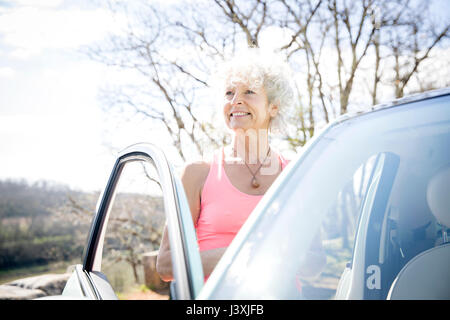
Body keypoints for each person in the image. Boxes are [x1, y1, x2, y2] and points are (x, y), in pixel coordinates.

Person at [156, 48, 315, 282]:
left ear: (274, 106)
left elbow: (316, 264)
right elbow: (165, 265)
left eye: (249, 91)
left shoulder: (296, 174)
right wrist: (237, 255)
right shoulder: (197, 174)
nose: (236, 100)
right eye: (229, 92)